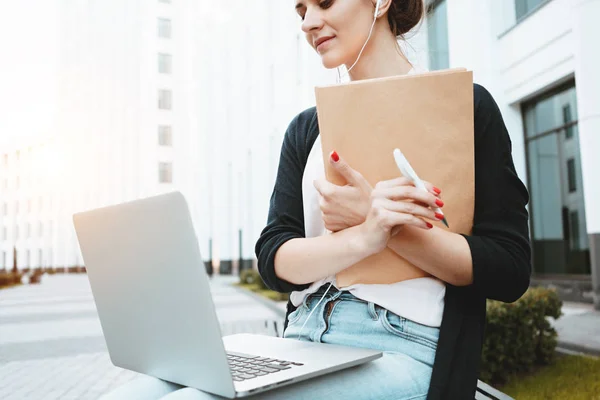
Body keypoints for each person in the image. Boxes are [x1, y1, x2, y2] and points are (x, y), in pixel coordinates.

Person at [102, 1, 530, 399]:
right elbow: (273, 259)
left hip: (404, 347)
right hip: (304, 338)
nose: (307, 22)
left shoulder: (463, 107)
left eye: (324, 2)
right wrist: (362, 238)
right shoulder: (306, 128)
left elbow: (510, 267)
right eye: (301, 9)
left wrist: (384, 226)